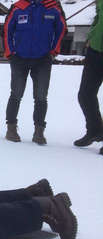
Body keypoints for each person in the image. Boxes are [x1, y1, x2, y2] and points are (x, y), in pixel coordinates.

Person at [3, 0, 66, 144]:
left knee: (41, 97)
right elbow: (7, 30)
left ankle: (39, 132)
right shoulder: (18, 7)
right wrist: (10, 53)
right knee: (16, 94)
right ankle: (11, 128)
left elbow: (61, 29)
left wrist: (54, 51)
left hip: (43, 60)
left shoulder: (53, 7)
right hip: (19, 58)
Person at [74, 0, 103, 155]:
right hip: (95, 50)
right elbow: (99, 16)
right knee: (85, 94)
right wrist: (92, 35)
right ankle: (95, 130)